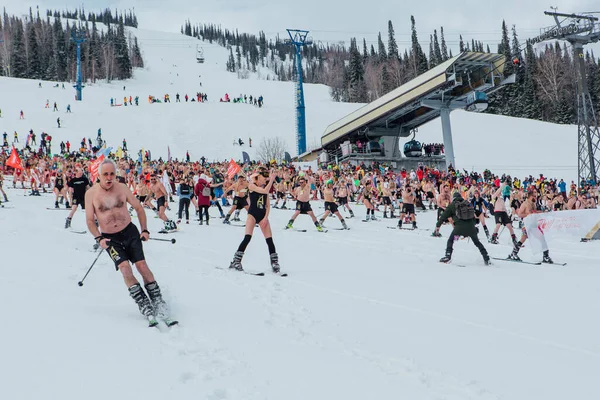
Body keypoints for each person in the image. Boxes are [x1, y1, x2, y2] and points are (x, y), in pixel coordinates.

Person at [85, 159, 175, 326]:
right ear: (99, 175)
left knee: (142, 266)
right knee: (125, 269)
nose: (109, 177)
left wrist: (145, 229)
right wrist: (99, 238)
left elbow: (139, 208)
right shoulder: (91, 194)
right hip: (110, 239)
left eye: (112, 173)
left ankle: (158, 302)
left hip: (130, 232)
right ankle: (144, 304)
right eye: (105, 174)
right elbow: (90, 220)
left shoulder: (122, 188)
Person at [229, 167, 281, 273]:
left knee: (269, 240)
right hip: (252, 214)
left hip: (262, 215)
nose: (265, 179)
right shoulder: (252, 185)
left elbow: (267, 205)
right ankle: (236, 260)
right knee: (247, 238)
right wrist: (271, 179)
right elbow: (265, 191)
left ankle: (274, 262)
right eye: (263, 177)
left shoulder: (265, 186)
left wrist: (266, 218)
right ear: (258, 177)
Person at [433, 192, 490, 265]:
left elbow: (443, 217)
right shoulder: (468, 204)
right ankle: (486, 258)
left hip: (458, 229)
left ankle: (448, 256)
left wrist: (437, 226)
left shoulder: (452, 205)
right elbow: (473, 216)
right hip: (471, 228)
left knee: (451, 240)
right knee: (477, 243)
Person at [509, 191, 553, 263]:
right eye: (534, 196)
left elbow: (534, 212)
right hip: (527, 224)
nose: (535, 198)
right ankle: (514, 253)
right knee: (524, 238)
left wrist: (543, 212)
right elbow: (520, 214)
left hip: (533, 224)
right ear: (530, 196)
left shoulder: (533, 204)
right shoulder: (525, 204)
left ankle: (546, 256)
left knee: (541, 238)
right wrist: (528, 214)